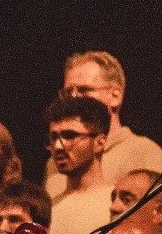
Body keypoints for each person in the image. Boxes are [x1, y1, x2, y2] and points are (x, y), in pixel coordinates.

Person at [51, 51, 162, 191]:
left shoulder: (143, 153)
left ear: (115, 96)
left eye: (84, 90)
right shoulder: (56, 160)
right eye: (67, 93)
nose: (73, 99)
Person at [45, 95, 115, 234]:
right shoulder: (48, 207)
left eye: (70, 135)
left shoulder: (116, 205)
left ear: (100, 142)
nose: (59, 146)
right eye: (54, 137)